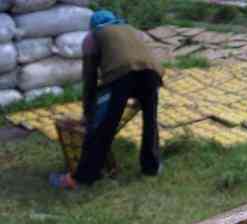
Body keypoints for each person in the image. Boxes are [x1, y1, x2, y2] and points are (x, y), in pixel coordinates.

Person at [50, 10, 165, 189]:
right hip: (152, 73)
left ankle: (81, 178)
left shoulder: (92, 37)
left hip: (122, 77)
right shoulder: (130, 29)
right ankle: (151, 167)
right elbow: (141, 58)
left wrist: (89, 113)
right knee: (150, 121)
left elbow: (90, 78)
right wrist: (139, 96)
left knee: (103, 126)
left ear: (93, 25)